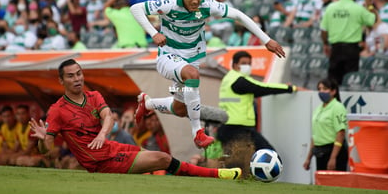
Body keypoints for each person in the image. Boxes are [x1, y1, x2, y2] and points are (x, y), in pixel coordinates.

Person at [130, 0, 285, 149]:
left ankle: (148, 103)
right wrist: (154, 33)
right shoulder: (169, 4)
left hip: (192, 57)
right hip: (168, 56)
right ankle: (198, 132)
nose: (195, 1)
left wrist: (266, 40)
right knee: (192, 74)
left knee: (180, 109)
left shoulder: (208, 4)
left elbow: (239, 16)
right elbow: (135, 9)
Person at [29, 59, 242, 179]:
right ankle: (217, 175)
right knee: (163, 159)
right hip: (100, 163)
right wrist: (41, 139)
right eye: (71, 76)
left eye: (79, 73)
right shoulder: (57, 110)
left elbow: (108, 117)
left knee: (153, 156)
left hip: (111, 148)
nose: (77, 79)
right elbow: (45, 149)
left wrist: (103, 134)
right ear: (61, 80)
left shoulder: (93, 96)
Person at [217, 50, 301, 175]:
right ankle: (261, 178)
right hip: (238, 128)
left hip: (229, 127)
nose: (247, 66)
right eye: (244, 63)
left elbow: (255, 90)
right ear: (234, 65)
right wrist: (290, 88)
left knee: (237, 163)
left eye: (249, 63)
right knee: (268, 154)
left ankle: (248, 180)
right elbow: (262, 88)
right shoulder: (238, 80)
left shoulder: (229, 79)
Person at [320, 0, 377, 84]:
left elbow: (324, 29)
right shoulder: (358, 8)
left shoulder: (331, 8)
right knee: (350, 79)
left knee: (333, 81)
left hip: (335, 48)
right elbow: (372, 20)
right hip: (352, 49)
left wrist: (325, 44)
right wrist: (370, 6)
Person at [303, 78, 348, 171]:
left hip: (333, 151)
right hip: (320, 152)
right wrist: (308, 158)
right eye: (319, 89)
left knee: (334, 183)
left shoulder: (337, 107)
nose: (321, 91)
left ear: (333, 91)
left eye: (324, 89)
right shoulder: (319, 109)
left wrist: (333, 158)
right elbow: (315, 136)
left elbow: (341, 133)